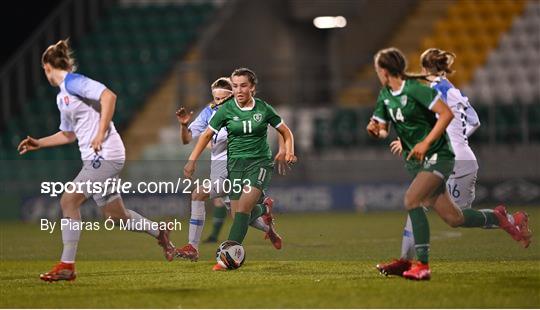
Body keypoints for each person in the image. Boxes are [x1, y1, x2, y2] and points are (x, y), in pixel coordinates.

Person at [366, 47, 532, 280]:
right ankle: (506, 219)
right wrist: (458, 139)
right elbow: (474, 120)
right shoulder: (453, 90)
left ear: (425, 69)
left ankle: (413, 263)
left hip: (449, 159)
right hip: (462, 158)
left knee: (419, 203)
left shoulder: (433, 90)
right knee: (454, 217)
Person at [17, 39, 176, 282]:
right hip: (95, 158)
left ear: (47, 68)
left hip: (106, 155)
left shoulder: (74, 82)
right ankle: (159, 231)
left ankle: (67, 265)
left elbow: (109, 97)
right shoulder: (63, 97)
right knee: (116, 217)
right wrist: (39, 142)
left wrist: (101, 133)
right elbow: (68, 134)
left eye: (44, 70)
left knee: (68, 200)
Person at [183, 68, 296, 271]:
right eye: (235, 86)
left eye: (243, 85)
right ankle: (264, 208)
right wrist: (192, 161)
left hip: (259, 164)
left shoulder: (263, 109)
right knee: (239, 216)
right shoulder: (226, 111)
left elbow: (284, 130)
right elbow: (206, 135)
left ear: (252, 87)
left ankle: (228, 258)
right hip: (235, 167)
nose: (239, 90)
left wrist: (286, 150)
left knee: (243, 209)